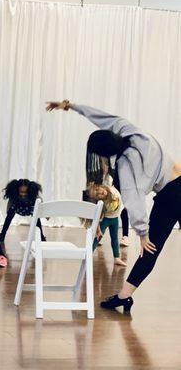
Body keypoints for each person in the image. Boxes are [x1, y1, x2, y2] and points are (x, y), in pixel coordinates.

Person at [47, 100, 181, 312]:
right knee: (150, 253)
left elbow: (134, 199)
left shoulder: (126, 165)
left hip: (171, 195)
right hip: (174, 187)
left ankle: (124, 297)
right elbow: (104, 118)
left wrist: (143, 233)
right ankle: (123, 296)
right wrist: (71, 106)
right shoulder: (131, 132)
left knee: (149, 250)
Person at [87, 183, 127, 266]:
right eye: (97, 195)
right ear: (97, 199)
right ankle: (88, 255)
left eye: (98, 190)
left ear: (101, 186)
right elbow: (96, 217)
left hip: (115, 219)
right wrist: (98, 230)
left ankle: (117, 258)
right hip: (106, 220)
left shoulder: (112, 188)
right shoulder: (101, 203)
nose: (99, 193)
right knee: (98, 237)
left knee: (114, 238)